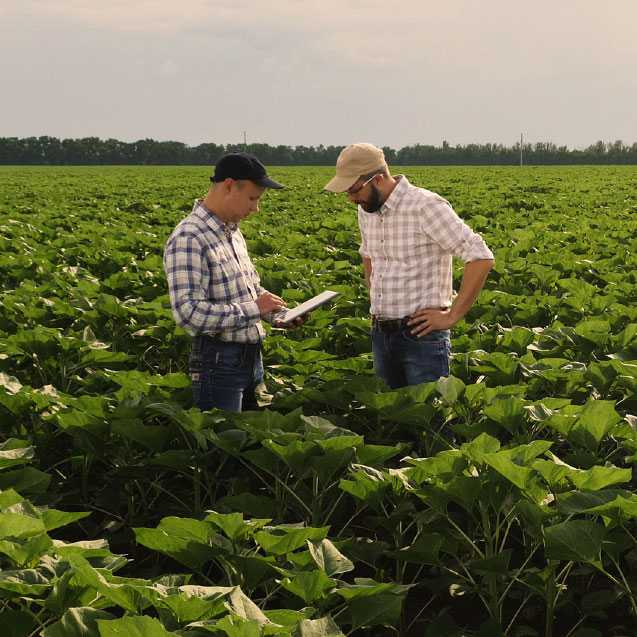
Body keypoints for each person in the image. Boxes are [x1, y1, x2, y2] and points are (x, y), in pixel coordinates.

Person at [324, 143, 494, 389]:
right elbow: (368, 254)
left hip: (421, 336)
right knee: (394, 418)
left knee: (430, 417)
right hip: (381, 333)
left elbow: (480, 256)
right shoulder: (366, 209)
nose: (351, 198)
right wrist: (375, 295)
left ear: (378, 179)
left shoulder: (424, 206)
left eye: (354, 190)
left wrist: (452, 315)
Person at [164, 152, 299, 412]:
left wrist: (280, 314)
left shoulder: (233, 232)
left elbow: (251, 289)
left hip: (251, 359)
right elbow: (188, 313)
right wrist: (256, 309)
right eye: (252, 198)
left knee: (251, 442)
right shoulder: (189, 237)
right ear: (229, 185)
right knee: (225, 442)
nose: (255, 208)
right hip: (218, 361)